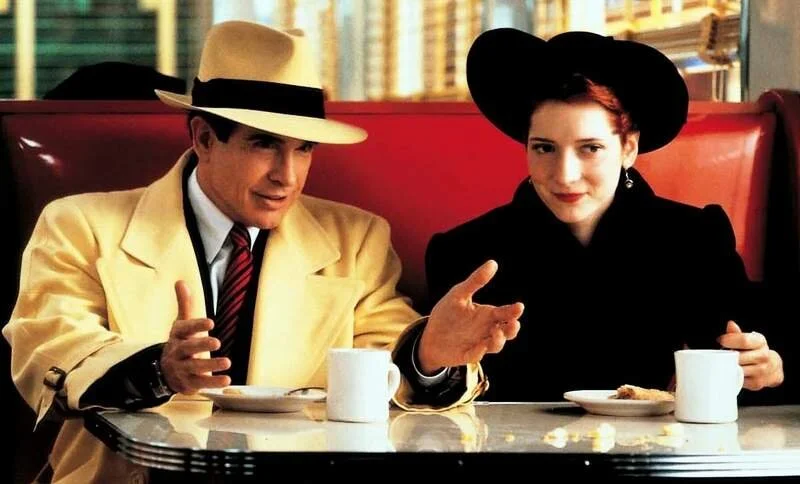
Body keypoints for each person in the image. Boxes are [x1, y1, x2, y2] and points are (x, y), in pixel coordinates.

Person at [3, 21, 523, 483]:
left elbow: (380, 360)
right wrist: (159, 369)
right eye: (264, 144)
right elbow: (48, 346)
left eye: (304, 148)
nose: (287, 176)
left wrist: (428, 354)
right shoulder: (80, 225)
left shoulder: (356, 239)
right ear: (204, 138)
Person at [424, 28, 786, 403]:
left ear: (628, 147)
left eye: (590, 148)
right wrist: (429, 360)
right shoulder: (463, 252)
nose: (564, 174)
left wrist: (770, 371)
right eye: (545, 148)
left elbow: (752, 364)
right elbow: (431, 395)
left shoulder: (696, 239)